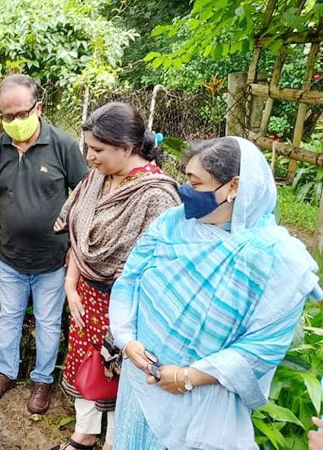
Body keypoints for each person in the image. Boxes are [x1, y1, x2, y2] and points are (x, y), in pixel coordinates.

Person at [109, 136, 322, 449]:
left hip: (202, 400)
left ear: (233, 186)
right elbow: (129, 280)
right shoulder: (171, 224)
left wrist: (188, 376)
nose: (185, 192)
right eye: (186, 180)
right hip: (140, 383)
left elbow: (264, 346)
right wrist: (126, 339)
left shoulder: (275, 258)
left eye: (196, 184)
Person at [0, 74, 88, 414]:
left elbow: (85, 198)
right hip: (10, 258)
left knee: (47, 322)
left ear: (38, 108)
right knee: (9, 318)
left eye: (20, 113)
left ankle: (42, 380)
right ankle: (5, 374)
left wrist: (75, 247)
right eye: (6, 116)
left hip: (53, 260)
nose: (14, 122)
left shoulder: (63, 146)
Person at [50, 103, 180, 450]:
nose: (89, 156)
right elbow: (78, 234)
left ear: (126, 147)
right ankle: (86, 432)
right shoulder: (97, 178)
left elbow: (163, 268)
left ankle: (116, 440)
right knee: (87, 363)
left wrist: (122, 304)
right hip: (84, 295)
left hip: (129, 306)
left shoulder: (157, 196)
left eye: (97, 150)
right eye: (88, 147)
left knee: (122, 372)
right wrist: (70, 285)